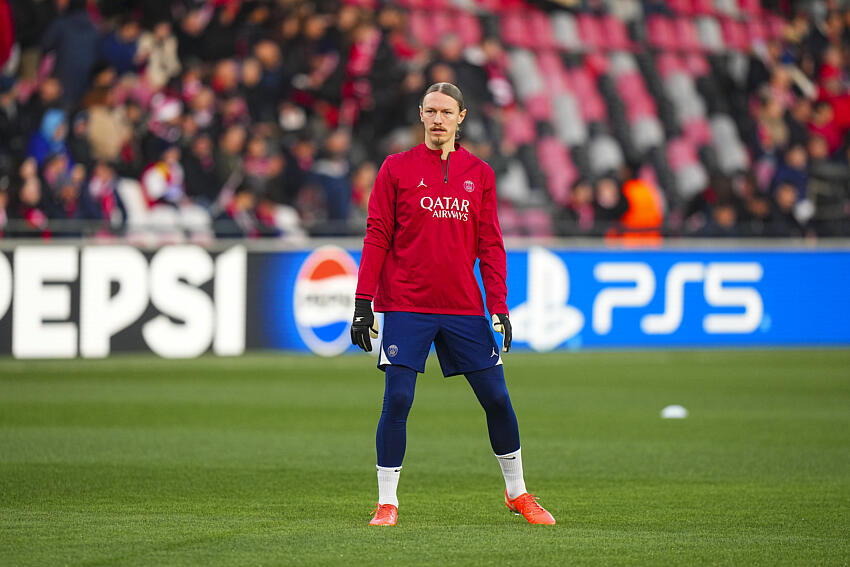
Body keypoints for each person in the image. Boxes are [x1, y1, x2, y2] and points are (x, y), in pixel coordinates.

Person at [350, 82, 555, 527]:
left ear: (461, 117)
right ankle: (388, 502)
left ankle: (517, 493)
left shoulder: (479, 173)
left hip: (463, 306)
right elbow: (377, 235)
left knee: (498, 399)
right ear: (420, 116)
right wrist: (364, 302)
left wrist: (499, 307)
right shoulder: (395, 168)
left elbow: (491, 244)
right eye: (430, 111)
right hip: (407, 304)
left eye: (446, 112)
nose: (438, 119)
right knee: (398, 398)